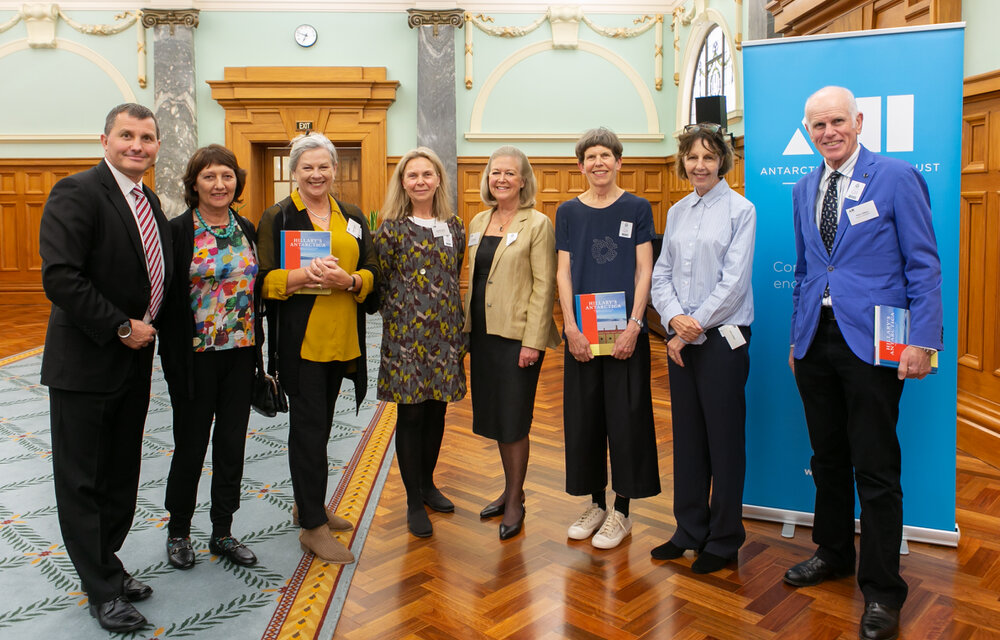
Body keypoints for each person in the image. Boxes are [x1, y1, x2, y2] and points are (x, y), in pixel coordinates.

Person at [785, 86, 943, 640]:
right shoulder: (805, 187)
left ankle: (882, 590)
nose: (828, 132)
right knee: (827, 458)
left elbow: (924, 265)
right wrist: (795, 337)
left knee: (875, 466)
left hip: (876, 343)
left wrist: (923, 340)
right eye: (817, 125)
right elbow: (806, 270)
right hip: (815, 342)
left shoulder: (897, 177)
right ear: (808, 131)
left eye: (836, 122)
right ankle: (831, 553)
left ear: (858, 121)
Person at [39, 103, 173, 633]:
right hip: (86, 364)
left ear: (157, 146)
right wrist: (121, 326)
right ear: (105, 140)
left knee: (120, 474)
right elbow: (62, 278)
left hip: (132, 366)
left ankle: (108, 567)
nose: (137, 145)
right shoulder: (78, 192)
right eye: (127, 136)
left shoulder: (149, 200)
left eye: (146, 137)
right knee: (83, 480)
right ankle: (100, 590)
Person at [257, 132, 377, 564]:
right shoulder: (279, 216)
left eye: (323, 166)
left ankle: (308, 503)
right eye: (307, 167)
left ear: (334, 170)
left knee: (321, 429)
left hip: (343, 340)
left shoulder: (353, 216)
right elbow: (262, 280)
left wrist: (353, 281)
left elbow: (371, 268)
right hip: (302, 344)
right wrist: (300, 277)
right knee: (308, 434)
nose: (316, 174)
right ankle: (312, 527)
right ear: (294, 172)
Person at [649, 124, 755, 573]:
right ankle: (688, 529)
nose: (700, 165)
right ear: (683, 163)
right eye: (692, 158)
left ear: (722, 162)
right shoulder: (676, 211)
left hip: (723, 341)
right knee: (689, 438)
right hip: (681, 340)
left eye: (709, 157)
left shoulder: (741, 210)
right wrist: (674, 319)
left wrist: (689, 328)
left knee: (724, 441)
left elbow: (734, 283)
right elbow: (661, 274)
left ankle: (725, 538)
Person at [555, 127, 660, 550]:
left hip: (625, 334)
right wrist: (569, 327)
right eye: (590, 157)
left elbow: (644, 270)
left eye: (606, 156)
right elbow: (563, 271)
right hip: (582, 332)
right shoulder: (567, 211)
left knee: (626, 418)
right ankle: (595, 503)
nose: (599, 163)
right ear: (581, 165)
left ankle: (622, 511)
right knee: (585, 418)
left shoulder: (637, 207)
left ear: (619, 161)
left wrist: (636, 326)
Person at [158, 145, 259, 571]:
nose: (219, 185)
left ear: (237, 183)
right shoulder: (178, 231)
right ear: (194, 183)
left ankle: (223, 531)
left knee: (232, 445)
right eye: (209, 177)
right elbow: (162, 297)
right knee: (191, 446)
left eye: (227, 177)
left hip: (241, 354)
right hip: (194, 358)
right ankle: (179, 531)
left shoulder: (246, 227)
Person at [462, 146, 561, 541]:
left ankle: (517, 499)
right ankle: (507, 490)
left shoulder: (537, 224)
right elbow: (472, 280)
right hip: (484, 336)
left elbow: (544, 286)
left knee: (515, 420)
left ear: (523, 180)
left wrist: (533, 341)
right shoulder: (478, 220)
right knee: (498, 418)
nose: (500, 179)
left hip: (519, 339)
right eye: (494, 173)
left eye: (509, 173)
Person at [375, 147, 466, 538]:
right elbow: (380, 282)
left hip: (445, 338)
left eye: (427, 174)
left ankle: (428, 484)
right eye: (412, 176)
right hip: (406, 339)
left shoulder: (455, 225)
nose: (420, 181)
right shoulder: (390, 228)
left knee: (436, 413)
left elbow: (453, 273)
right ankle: (413, 499)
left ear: (439, 179)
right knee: (411, 416)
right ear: (403, 182)